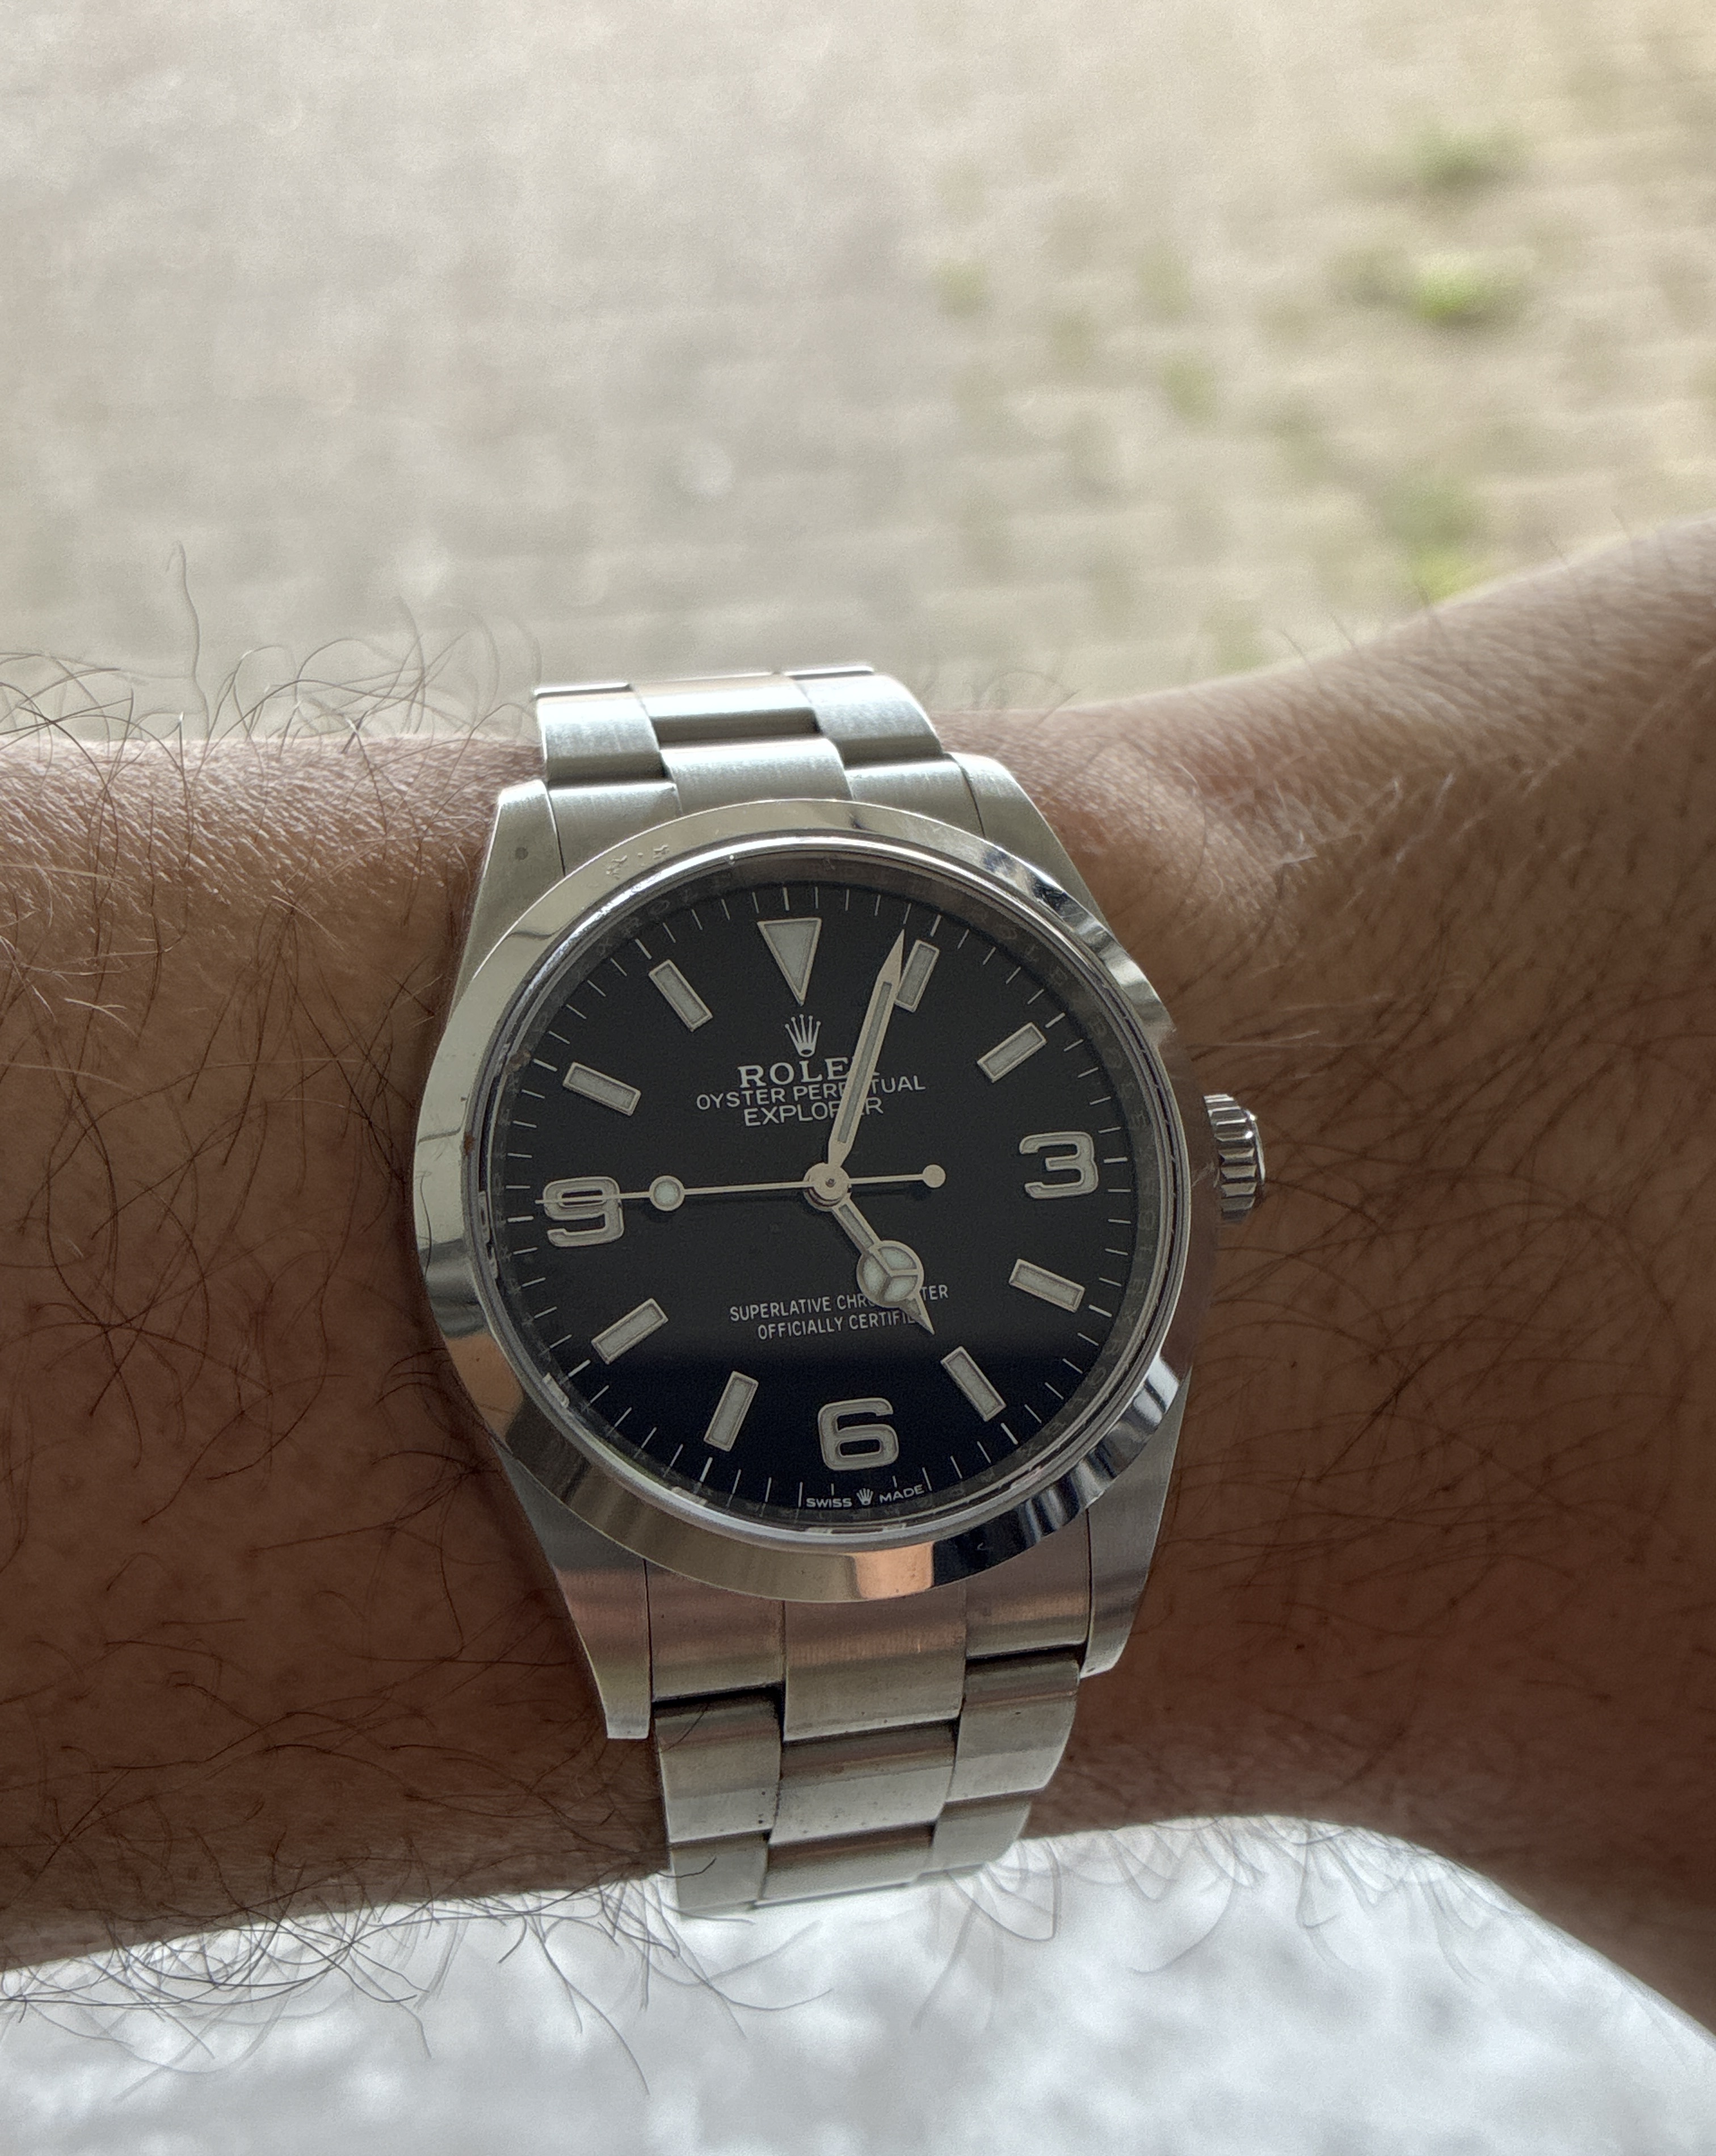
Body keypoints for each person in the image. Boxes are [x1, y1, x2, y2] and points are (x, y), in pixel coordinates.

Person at [4, 520, 1714, 2031]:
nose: (828, 1190)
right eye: (822, 1181)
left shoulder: (1109, 1190)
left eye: (836, 1181)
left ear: (1210, 1160)